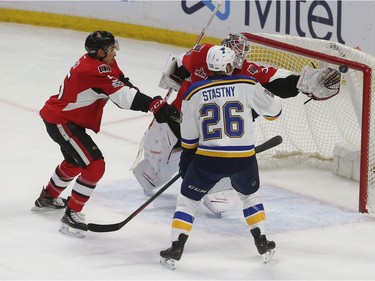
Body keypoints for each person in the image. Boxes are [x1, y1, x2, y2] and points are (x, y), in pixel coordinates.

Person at [132, 33, 341, 215]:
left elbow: (279, 79)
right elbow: (176, 67)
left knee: (219, 195)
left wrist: (303, 81)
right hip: (176, 123)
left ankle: (212, 188)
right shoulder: (205, 56)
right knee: (150, 172)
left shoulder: (245, 71)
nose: (236, 60)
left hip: (209, 139)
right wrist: (175, 76)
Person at [31, 30, 179, 238]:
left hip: (64, 117)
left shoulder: (100, 62)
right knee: (94, 165)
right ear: (100, 52)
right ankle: (72, 214)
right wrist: (154, 105)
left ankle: (48, 197)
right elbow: (123, 96)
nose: (114, 53)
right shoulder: (94, 69)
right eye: (111, 49)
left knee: (75, 161)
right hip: (62, 121)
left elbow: (122, 83)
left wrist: (153, 104)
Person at [159, 45, 281, 270]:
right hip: (244, 160)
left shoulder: (194, 91)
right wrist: (251, 109)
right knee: (250, 197)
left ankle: (176, 248)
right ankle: (262, 241)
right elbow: (275, 111)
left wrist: (187, 159)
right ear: (227, 66)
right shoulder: (247, 84)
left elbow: (189, 136)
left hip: (208, 160)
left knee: (187, 202)